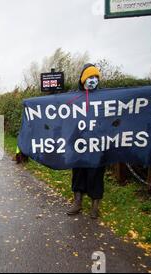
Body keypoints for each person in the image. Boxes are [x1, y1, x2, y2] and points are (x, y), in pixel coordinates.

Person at [66, 64, 105, 219]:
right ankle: (78, 201)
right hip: (79, 143)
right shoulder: (74, 97)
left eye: (96, 77)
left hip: (98, 143)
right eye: (90, 77)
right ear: (83, 79)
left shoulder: (104, 97)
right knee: (79, 172)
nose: (93, 80)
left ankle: (95, 205)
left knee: (97, 172)